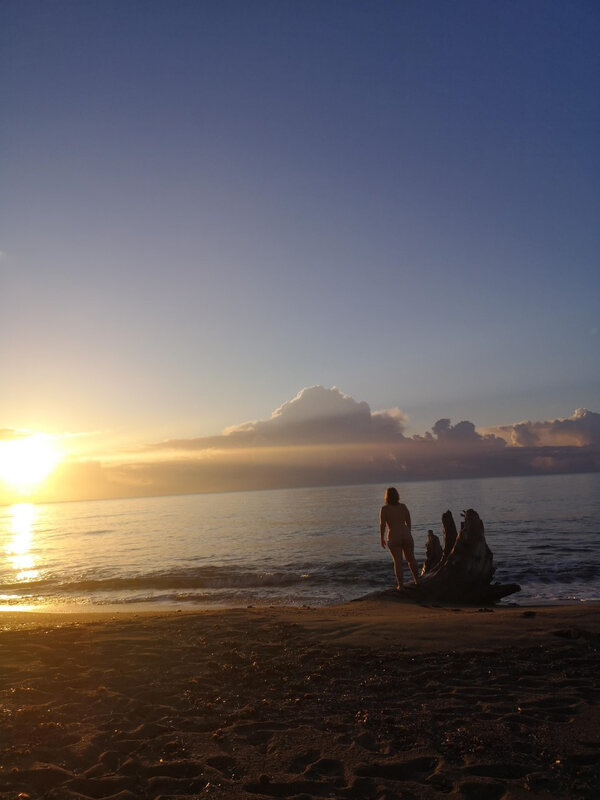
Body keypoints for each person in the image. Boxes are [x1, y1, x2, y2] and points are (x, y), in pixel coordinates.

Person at [380, 487, 419, 590]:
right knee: (411, 560)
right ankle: (417, 581)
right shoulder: (403, 507)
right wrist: (408, 532)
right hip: (406, 534)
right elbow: (408, 521)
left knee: (398, 562)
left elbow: (382, 525)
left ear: (387, 497)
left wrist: (382, 538)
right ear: (397, 496)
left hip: (394, 536)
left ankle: (400, 585)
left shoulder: (385, 509)